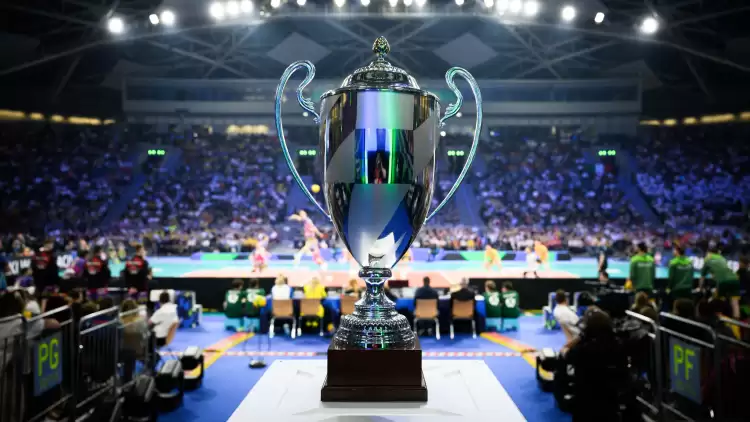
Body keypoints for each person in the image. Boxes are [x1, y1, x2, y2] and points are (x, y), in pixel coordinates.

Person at [564, 310, 628, 422]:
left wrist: (579, 339)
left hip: (585, 402)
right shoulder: (618, 346)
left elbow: (567, 357)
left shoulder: (582, 349)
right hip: (610, 402)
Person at [699, 246, 741, 318]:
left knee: (717, 302)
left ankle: (717, 321)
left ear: (709, 253)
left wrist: (700, 289)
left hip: (722, 281)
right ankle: (737, 321)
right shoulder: (722, 258)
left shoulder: (708, 259)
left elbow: (702, 277)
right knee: (735, 302)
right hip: (735, 279)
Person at [120, 299, 149, 383]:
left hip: (120, 351)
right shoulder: (141, 321)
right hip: (138, 350)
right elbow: (146, 336)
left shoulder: (118, 321)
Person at [32, 238, 60, 304]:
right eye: (51, 244)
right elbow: (35, 267)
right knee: (44, 299)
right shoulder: (40, 254)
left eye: (52, 245)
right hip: (44, 282)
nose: (52, 246)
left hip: (44, 281)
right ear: (46, 244)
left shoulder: (52, 254)